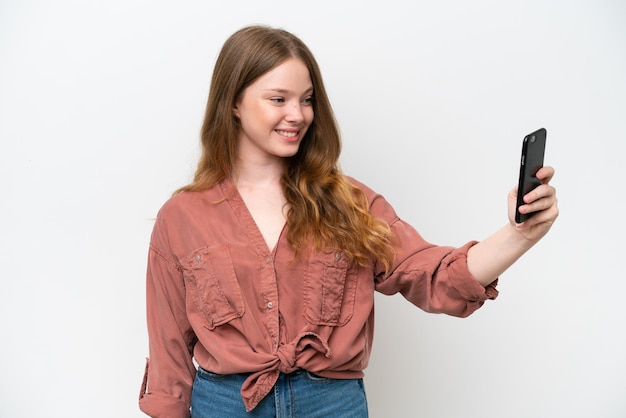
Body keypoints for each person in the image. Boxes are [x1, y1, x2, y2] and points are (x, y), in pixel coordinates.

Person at [138, 25, 559, 418]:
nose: (298, 115)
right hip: (225, 404)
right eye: (278, 99)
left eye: (307, 99)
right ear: (233, 102)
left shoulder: (350, 202)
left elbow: (432, 275)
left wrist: (520, 234)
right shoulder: (182, 217)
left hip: (331, 404)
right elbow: (169, 353)